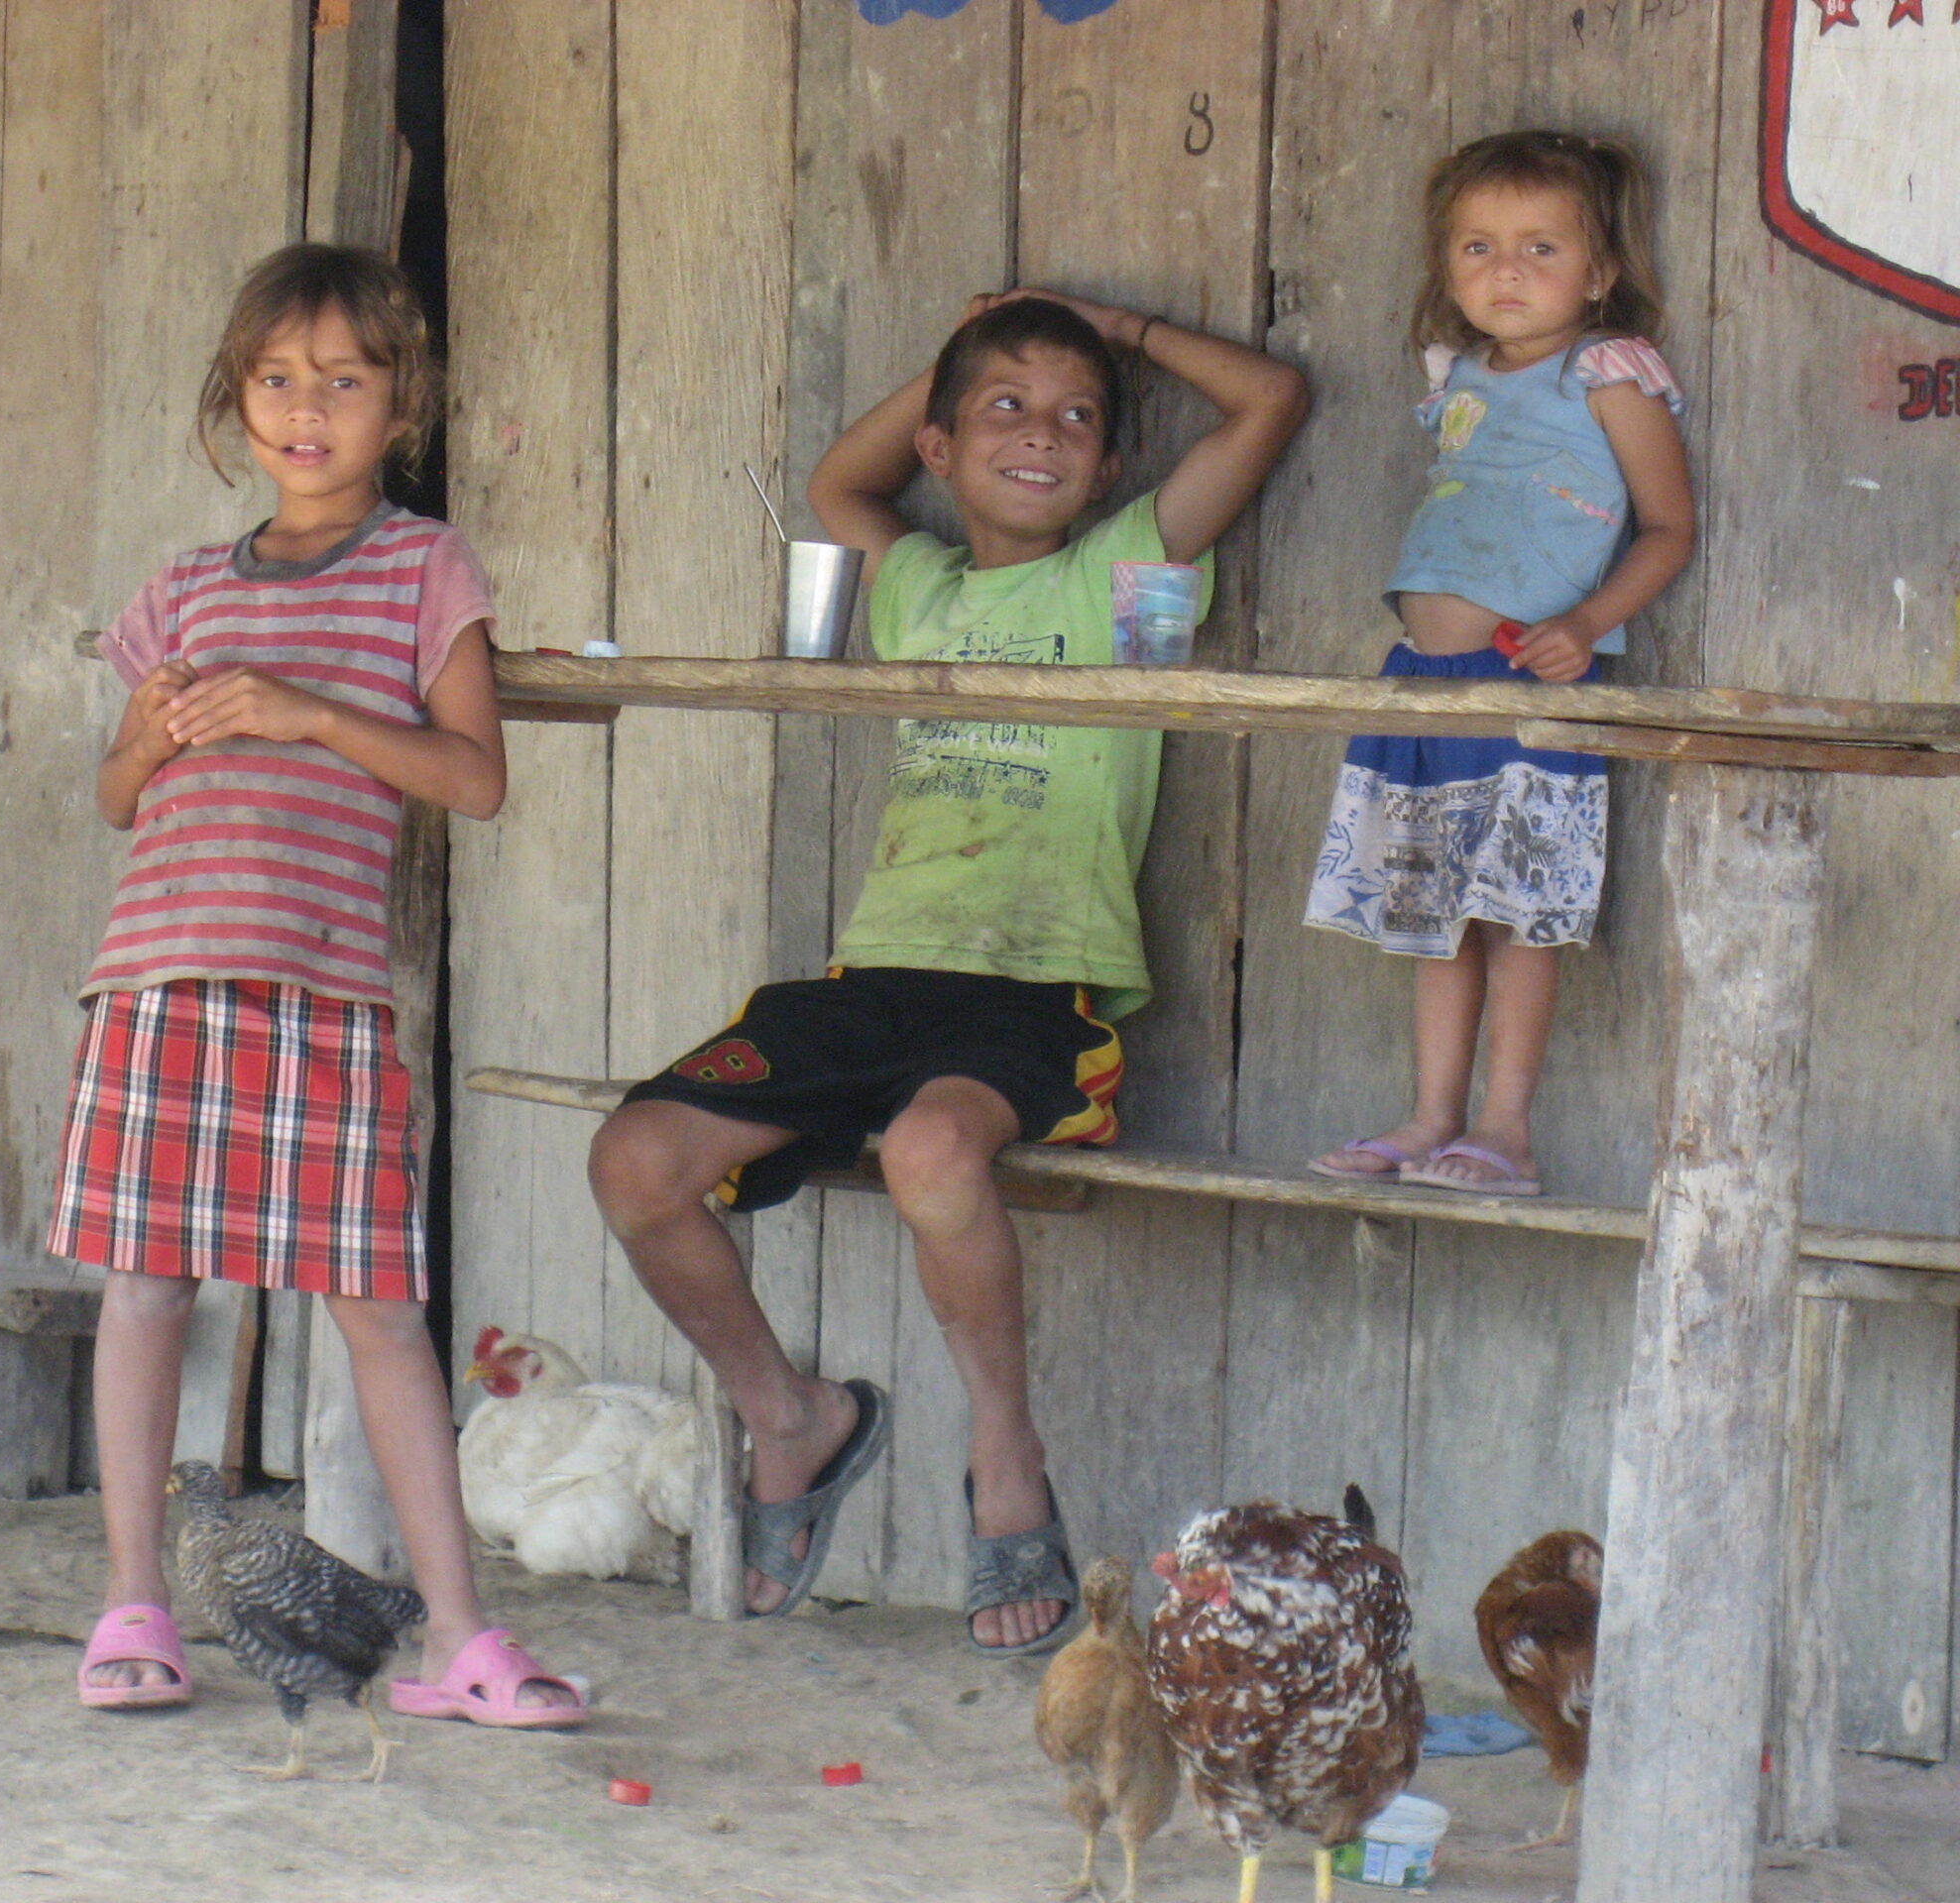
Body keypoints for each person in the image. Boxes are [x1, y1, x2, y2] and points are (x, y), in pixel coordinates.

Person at [589, 291, 1309, 1654]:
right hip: (877, 978)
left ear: (1109, 466)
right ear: (939, 444)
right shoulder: (914, 585)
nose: (1042, 434)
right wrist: (958, 356)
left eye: (1076, 418)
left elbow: (1269, 400)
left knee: (931, 1153)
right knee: (634, 1160)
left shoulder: (1123, 572)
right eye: (1004, 410)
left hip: (1035, 992)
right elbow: (837, 482)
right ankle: (791, 1416)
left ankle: (1005, 1455)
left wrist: (1116, 329)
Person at [57, 243, 582, 1732]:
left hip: (326, 993)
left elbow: (473, 777)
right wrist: (148, 734)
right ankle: (133, 1604)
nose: (308, 410)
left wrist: (308, 712)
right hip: (159, 978)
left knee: (380, 1312)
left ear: (399, 405)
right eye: (278, 380)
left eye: (344, 382)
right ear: (236, 402)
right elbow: (115, 798)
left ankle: (457, 1638)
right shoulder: (181, 590)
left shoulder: (424, 567)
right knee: (146, 1288)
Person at [1307, 131, 1693, 1199]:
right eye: (1478, 247)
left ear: (1599, 273)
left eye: (1540, 248)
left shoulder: (1606, 372)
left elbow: (1668, 528)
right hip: (1426, 684)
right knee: (1432, 912)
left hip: (1530, 678)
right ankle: (1432, 1115)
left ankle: (1505, 1130)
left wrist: (1589, 621)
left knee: (1517, 912)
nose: (1506, 271)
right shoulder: (1460, 376)